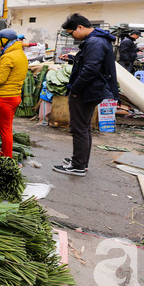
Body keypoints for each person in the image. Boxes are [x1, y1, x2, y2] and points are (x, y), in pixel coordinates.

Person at [53, 14, 119, 176]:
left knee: (79, 128)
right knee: (84, 127)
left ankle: (78, 166)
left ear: (80, 27)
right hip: (93, 89)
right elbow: (90, 63)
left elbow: (90, 70)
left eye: (71, 32)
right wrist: (73, 59)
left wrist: (75, 90)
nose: (71, 36)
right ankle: (80, 161)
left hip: (87, 90)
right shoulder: (98, 40)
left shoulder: (94, 42)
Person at [0, 29, 28, 162]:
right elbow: (10, 75)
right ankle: (4, 153)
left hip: (5, 98)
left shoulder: (8, 56)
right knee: (7, 128)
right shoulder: (20, 54)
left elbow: (0, 80)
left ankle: (6, 158)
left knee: (5, 131)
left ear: (4, 40)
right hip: (15, 96)